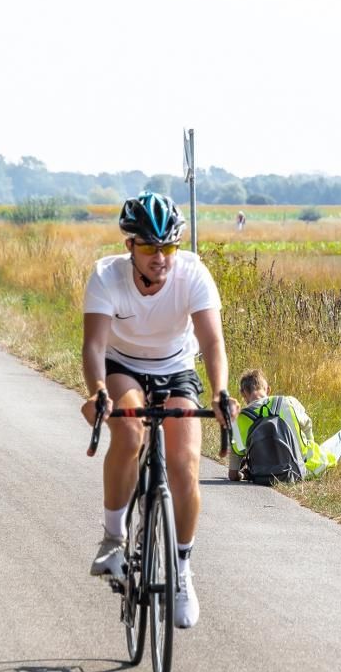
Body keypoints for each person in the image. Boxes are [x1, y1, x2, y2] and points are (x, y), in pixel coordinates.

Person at [80, 191, 236, 630]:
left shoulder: (193, 273)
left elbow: (212, 342)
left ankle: (182, 570)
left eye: (169, 247)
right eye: (150, 247)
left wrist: (220, 392)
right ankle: (113, 539)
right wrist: (97, 391)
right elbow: (93, 345)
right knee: (130, 433)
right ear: (130, 245)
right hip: (123, 366)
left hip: (176, 368)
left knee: (185, 465)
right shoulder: (106, 276)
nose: (161, 257)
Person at [228, 370, 341, 480]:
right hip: (301, 470)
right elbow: (308, 430)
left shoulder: (240, 420)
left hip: (263, 475)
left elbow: (233, 474)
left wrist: (245, 474)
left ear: (243, 393)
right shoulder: (287, 402)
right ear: (268, 389)